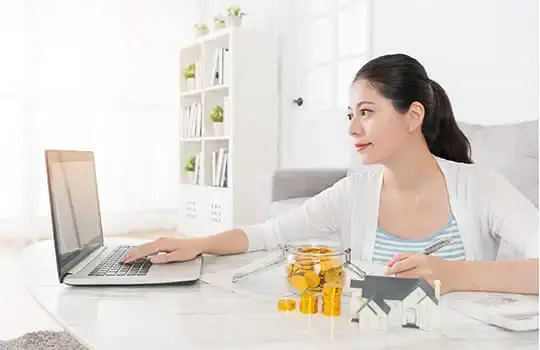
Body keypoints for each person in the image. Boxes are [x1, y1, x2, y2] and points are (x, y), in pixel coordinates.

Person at [121, 53, 539, 295]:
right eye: (351, 115)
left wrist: (453, 274)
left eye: (367, 113)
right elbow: (269, 233)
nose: (353, 129)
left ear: (413, 116)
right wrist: (195, 243)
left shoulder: (479, 187)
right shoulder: (353, 193)